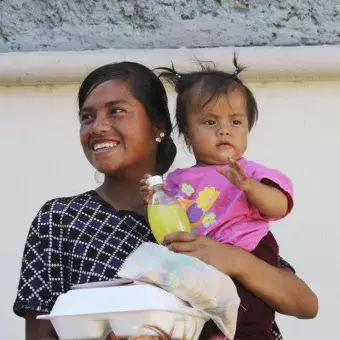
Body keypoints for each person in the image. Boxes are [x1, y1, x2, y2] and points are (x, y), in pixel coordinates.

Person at [13, 61, 318, 340]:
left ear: (158, 127)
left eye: (116, 110)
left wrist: (233, 260)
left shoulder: (204, 206)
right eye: (86, 117)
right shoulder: (61, 218)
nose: (98, 127)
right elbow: (39, 332)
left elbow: (304, 302)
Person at [139, 55, 311, 339]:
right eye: (209, 121)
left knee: (249, 311)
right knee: (195, 312)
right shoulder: (177, 180)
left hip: (249, 249)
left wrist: (250, 187)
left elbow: (279, 206)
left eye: (235, 121)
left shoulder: (250, 172)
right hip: (199, 260)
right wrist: (154, 199)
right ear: (187, 135)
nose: (224, 130)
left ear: (247, 129)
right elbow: (166, 224)